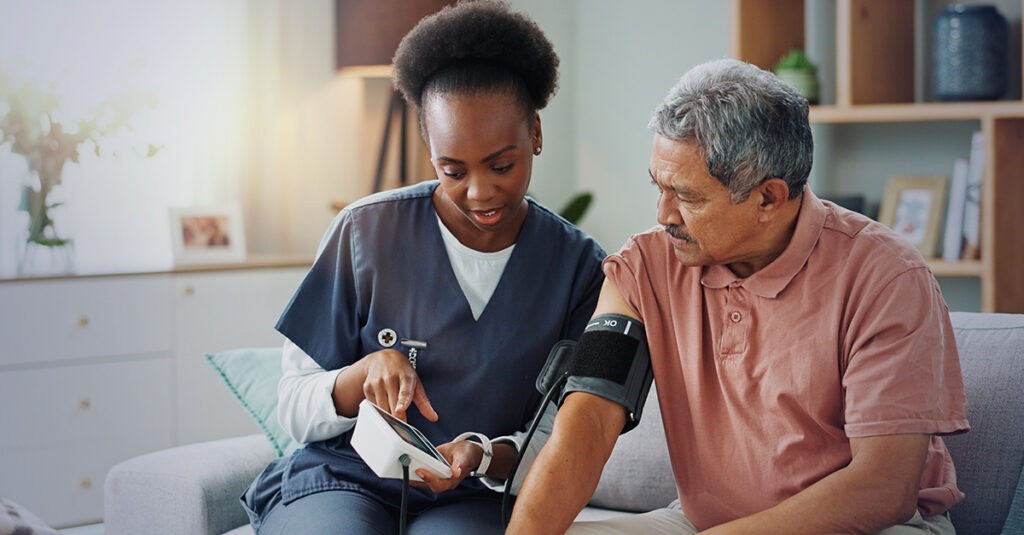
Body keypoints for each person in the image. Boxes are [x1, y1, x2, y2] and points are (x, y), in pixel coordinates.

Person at [507, 59, 969, 535]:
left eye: (688, 197)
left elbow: (882, 488)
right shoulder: (644, 268)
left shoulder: (886, 276)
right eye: (658, 186)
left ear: (768, 198)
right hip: (703, 523)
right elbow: (587, 422)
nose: (663, 213)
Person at [240, 2, 605, 534]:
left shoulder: (579, 267)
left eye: (501, 165)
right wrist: (361, 374)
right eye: (453, 170)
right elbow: (293, 405)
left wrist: (480, 456)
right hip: (344, 477)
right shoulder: (364, 232)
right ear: (430, 151)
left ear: (537, 135)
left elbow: (563, 440)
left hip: (470, 498)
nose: (479, 192)